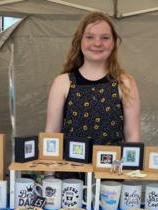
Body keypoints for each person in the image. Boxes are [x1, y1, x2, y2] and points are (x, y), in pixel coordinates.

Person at [45, 12, 141, 145]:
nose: (97, 43)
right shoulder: (62, 83)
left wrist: (131, 165)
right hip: (69, 165)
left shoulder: (125, 83)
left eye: (105, 38)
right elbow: (52, 135)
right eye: (90, 37)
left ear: (113, 43)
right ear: (79, 41)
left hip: (111, 165)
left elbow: (132, 137)